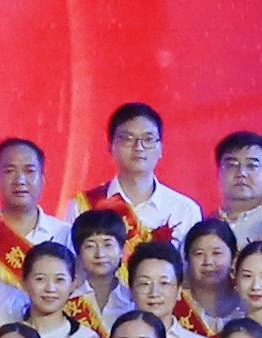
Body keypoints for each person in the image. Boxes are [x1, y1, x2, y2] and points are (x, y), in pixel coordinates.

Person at [82, 102, 203, 243]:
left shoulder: (184, 211)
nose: (138, 147)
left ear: (161, 148)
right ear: (111, 146)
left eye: (148, 139)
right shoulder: (84, 206)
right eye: (128, 138)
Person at [16, 243, 108, 338]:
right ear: (24, 282)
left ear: (73, 284)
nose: (50, 288)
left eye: (59, 280)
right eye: (40, 279)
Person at [0, 137, 70, 288]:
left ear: (43, 179)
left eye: (29, 171)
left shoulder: (65, 234)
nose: (20, 180)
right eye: (10, 171)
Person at [215, 132, 262, 253]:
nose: (241, 173)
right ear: (218, 173)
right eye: (232, 165)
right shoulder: (204, 225)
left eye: (252, 166)